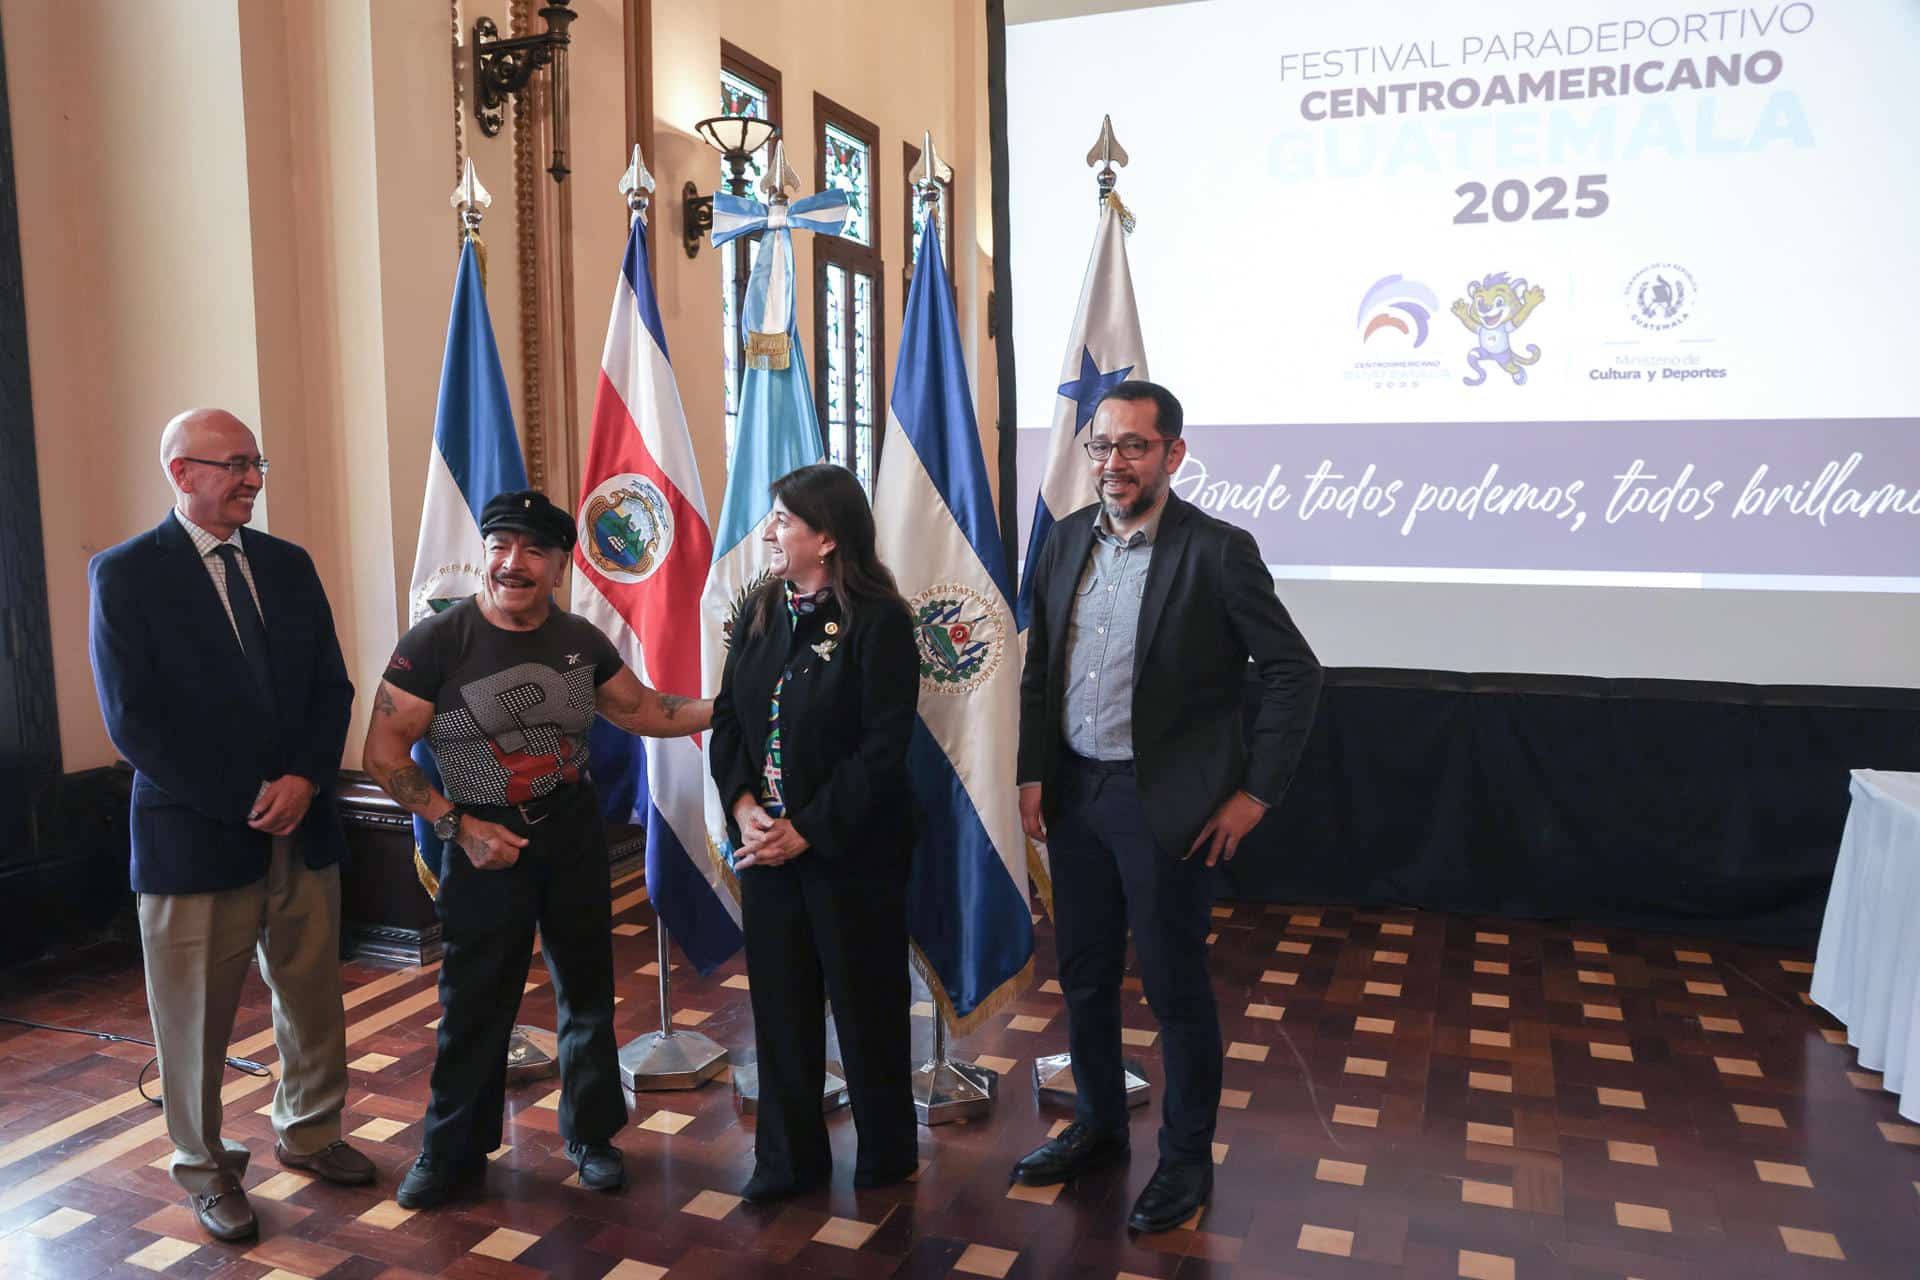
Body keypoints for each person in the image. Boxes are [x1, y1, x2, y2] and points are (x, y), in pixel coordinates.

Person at [1013, 381, 1322, 1233]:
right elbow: (1043, 671)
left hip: (1167, 810)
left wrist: (1256, 794)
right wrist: (1031, 773)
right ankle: (1100, 1128)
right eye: (1101, 447)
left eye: (1133, 447)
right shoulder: (1066, 539)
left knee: (1177, 992)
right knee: (1082, 977)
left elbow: (1295, 673)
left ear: (1172, 455)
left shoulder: (1218, 552)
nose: (1113, 464)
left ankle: (1185, 1162)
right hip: (1074, 794)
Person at [360, 489, 712, 1208]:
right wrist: (460, 827)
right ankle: (450, 1150)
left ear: (559, 564)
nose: (511, 563)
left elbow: (642, 709)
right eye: (500, 547)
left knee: (587, 994)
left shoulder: (579, 640)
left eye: (531, 551)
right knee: (474, 1004)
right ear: (486, 554)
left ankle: (592, 1137)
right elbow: (382, 751)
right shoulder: (436, 643)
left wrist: (732, 708)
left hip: (572, 835)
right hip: (481, 838)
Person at [87, 408, 369, 1243]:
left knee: (312, 997)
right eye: (236, 464)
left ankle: (311, 1133)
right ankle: (206, 1170)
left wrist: (306, 779)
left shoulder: (287, 565)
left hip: (303, 826)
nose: (253, 478)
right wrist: (250, 796)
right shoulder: (126, 574)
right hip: (194, 833)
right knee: (193, 1021)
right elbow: (133, 722)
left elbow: (333, 689)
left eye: (258, 463)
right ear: (181, 472)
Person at [708, 463, 920, 1202]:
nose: (769, 531)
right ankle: (788, 1163)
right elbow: (729, 716)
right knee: (781, 1008)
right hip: (762, 846)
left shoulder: (881, 620)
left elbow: (883, 748)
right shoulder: (761, 606)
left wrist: (808, 829)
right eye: (773, 518)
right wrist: (741, 806)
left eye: (785, 521)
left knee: (867, 1010)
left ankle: (886, 1157)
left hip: (850, 850)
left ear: (827, 538)